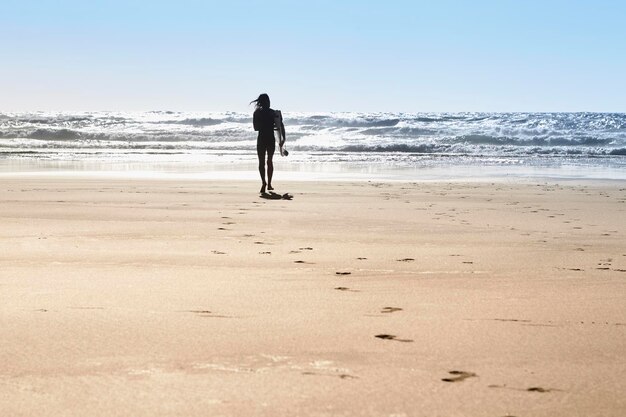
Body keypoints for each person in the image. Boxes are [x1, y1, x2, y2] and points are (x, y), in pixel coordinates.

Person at [251, 93, 285, 194]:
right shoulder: (273, 113)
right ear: (266, 102)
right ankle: (269, 183)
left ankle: (264, 183)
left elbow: (256, 128)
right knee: (269, 161)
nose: (269, 103)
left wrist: (263, 124)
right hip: (270, 139)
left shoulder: (257, 113)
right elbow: (280, 126)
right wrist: (283, 139)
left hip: (261, 139)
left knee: (261, 163)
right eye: (268, 101)